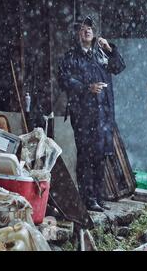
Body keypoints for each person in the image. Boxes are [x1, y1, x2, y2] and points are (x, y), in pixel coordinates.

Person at [57, 16, 126, 212]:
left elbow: (119, 67)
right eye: (82, 28)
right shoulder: (72, 57)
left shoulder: (101, 54)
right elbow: (63, 80)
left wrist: (110, 49)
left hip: (104, 114)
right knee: (86, 156)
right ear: (77, 34)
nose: (87, 30)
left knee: (101, 156)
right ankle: (87, 199)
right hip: (84, 115)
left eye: (89, 28)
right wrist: (87, 88)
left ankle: (98, 196)